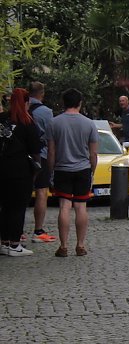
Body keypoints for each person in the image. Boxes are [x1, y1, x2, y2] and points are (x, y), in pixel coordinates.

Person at [47, 88, 98, 258]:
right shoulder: (89, 123)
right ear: (80, 103)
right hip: (83, 169)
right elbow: (93, 153)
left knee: (64, 206)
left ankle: (63, 245)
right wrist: (92, 170)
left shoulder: (54, 123)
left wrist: (51, 171)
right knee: (81, 206)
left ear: (64, 102)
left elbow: (51, 152)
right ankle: (81, 245)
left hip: (62, 169)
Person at [0, 88, 41, 256]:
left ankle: (3, 241)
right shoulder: (28, 122)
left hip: (2, 168)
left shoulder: (2, 119)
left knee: (4, 207)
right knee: (18, 208)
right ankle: (15, 244)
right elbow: (35, 149)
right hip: (20, 170)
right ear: (26, 102)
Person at [28, 81, 57, 243]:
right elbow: (50, 136)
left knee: (21, 193)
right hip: (41, 155)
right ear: (42, 93)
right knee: (41, 192)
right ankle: (38, 230)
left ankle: (15, 231)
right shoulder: (46, 112)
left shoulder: (19, 109)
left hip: (21, 156)